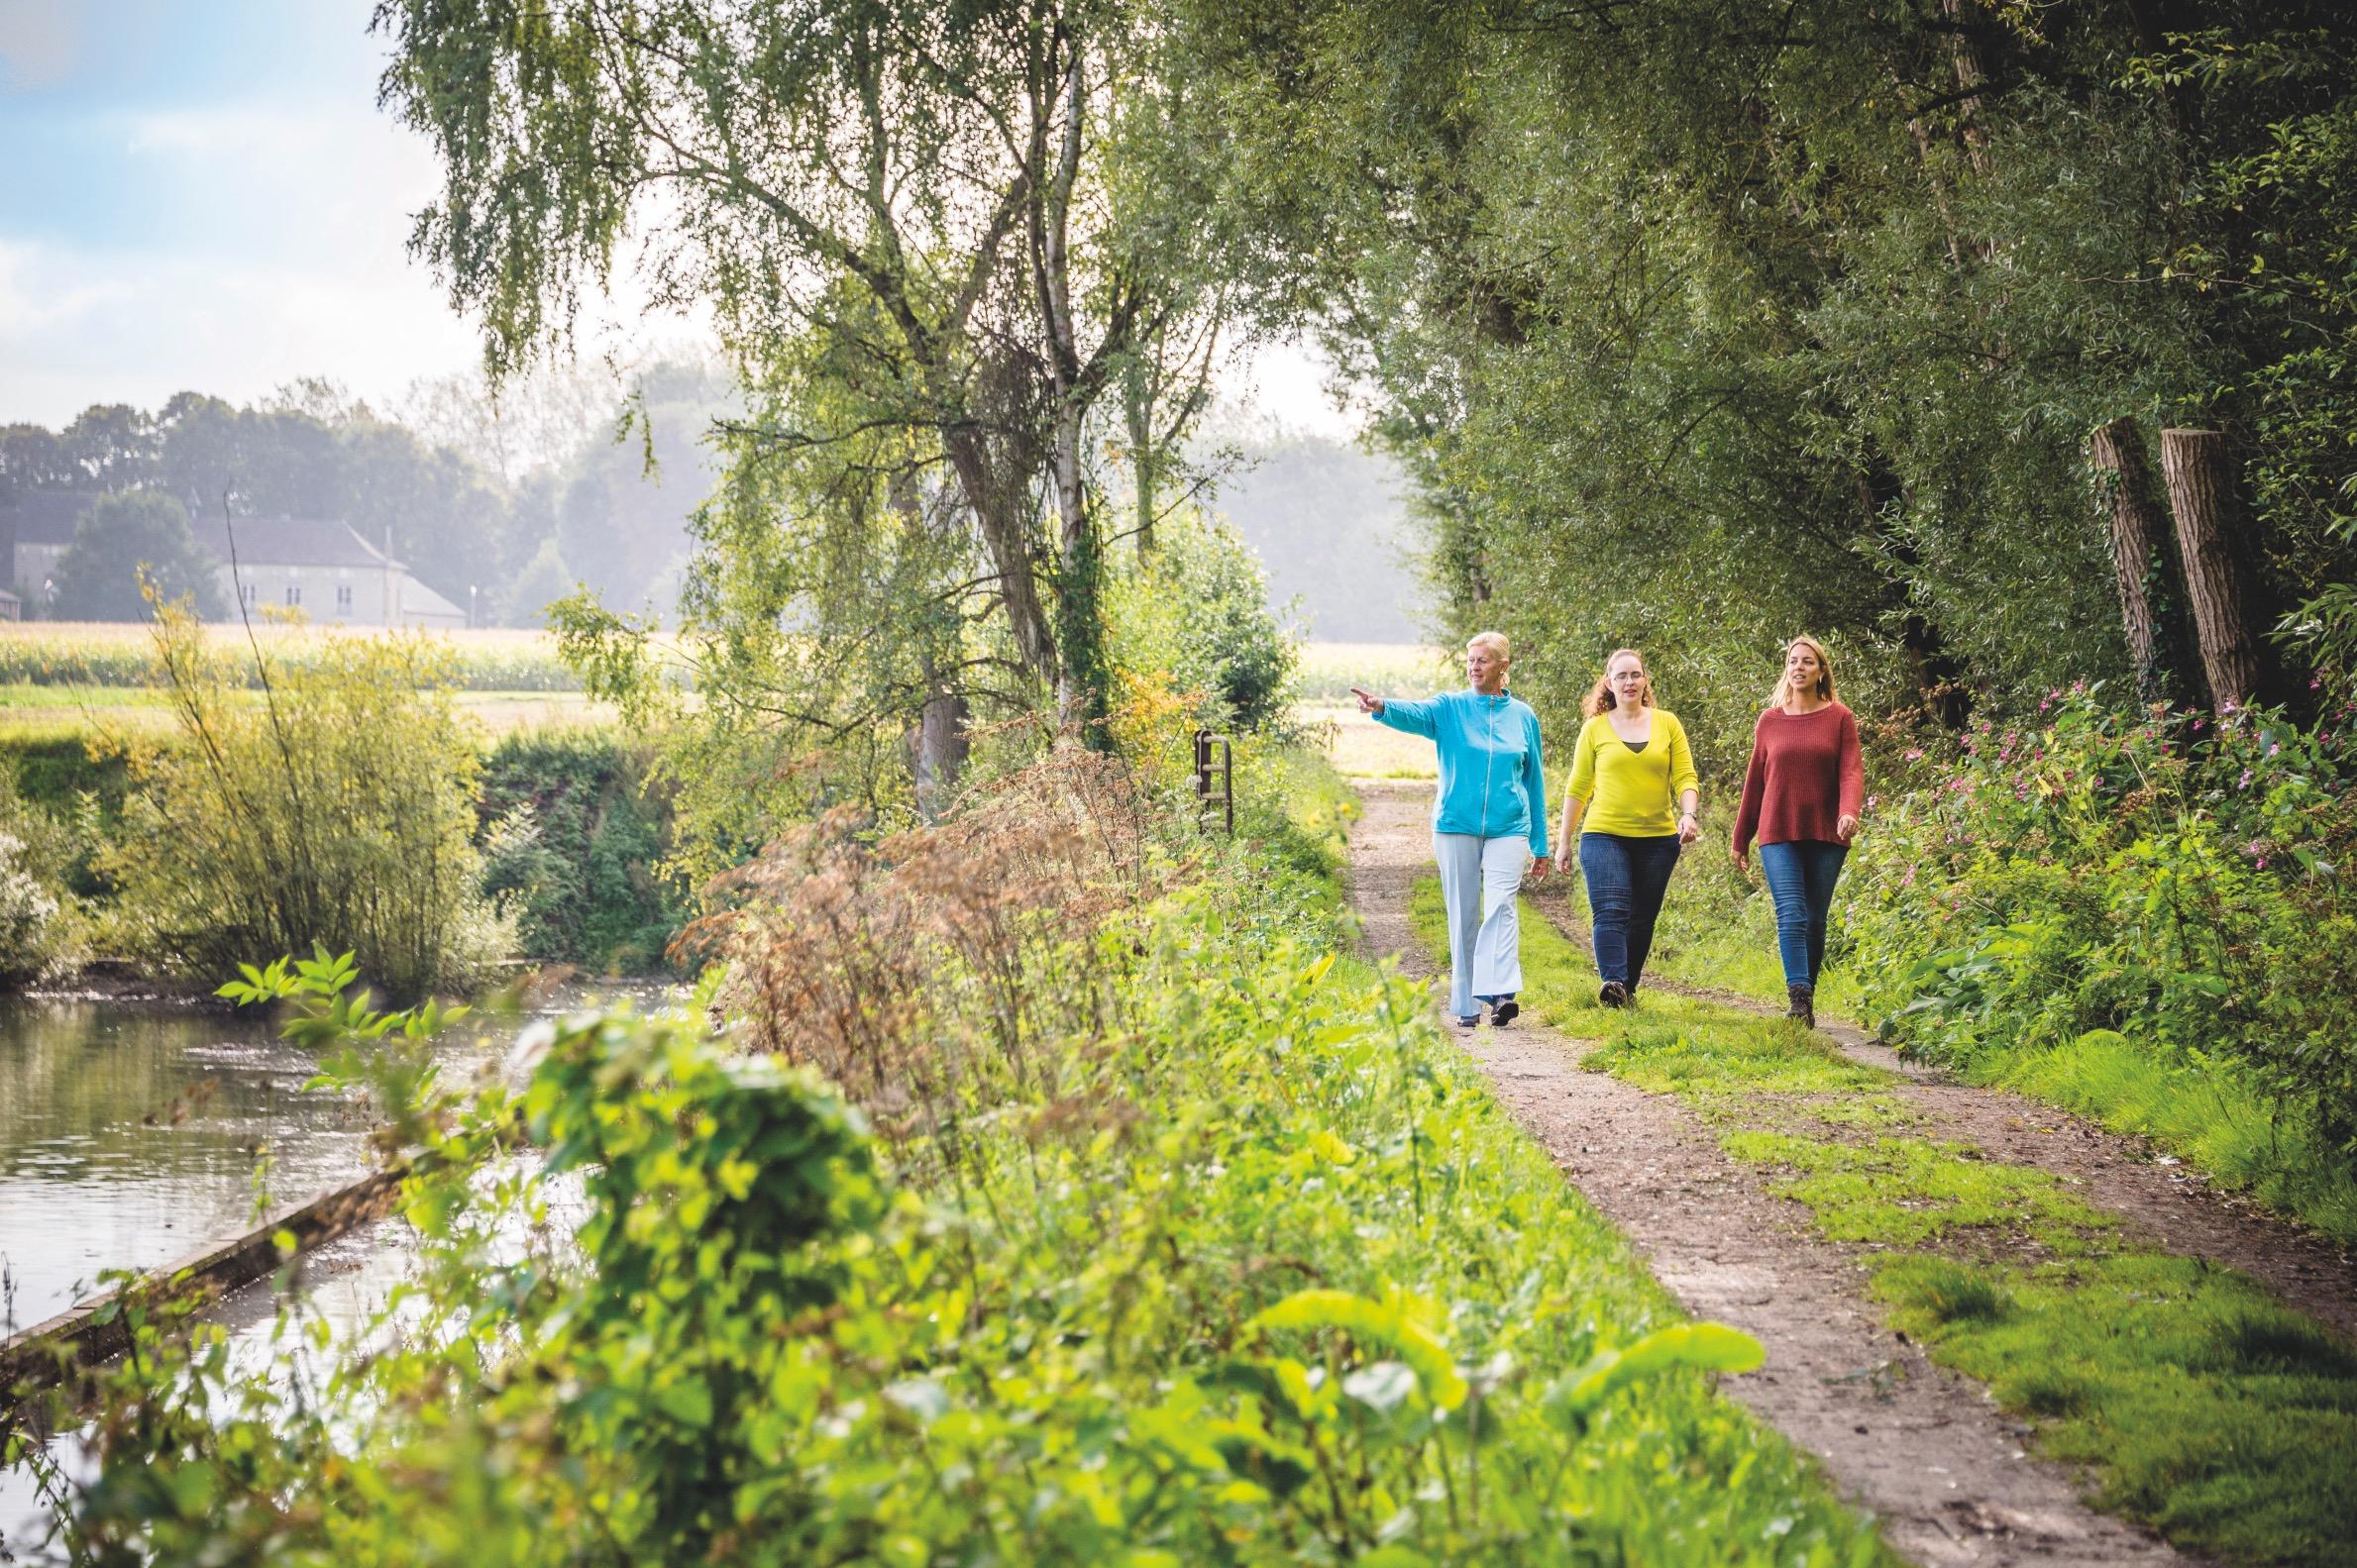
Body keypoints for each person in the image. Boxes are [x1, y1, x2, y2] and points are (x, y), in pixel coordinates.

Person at [1351, 633, 1552, 1029]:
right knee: (1463, 914)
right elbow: (1416, 713)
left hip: (1509, 826)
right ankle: (1466, 1004)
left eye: (1483, 661)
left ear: (1503, 667)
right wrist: (1382, 706)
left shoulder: (1523, 716)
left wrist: (1540, 844)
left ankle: (1501, 995)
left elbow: (1535, 782)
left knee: (1501, 907)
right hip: (1455, 824)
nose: (1474, 668)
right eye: (1471, 661)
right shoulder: (1450, 708)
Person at [1730, 635, 1864, 1029]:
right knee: (1791, 911)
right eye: (1793, 661)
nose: (1799, 667)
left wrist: (1848, 811)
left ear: (1821, 671)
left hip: (1827, 831)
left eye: (1808, 661)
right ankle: (1799, 999)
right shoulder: (1770, 721)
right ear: (1786, 669)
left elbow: (1851, 770)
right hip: (1778, 829)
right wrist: (1741, 838)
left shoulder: (1840, 716)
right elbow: (1755, 781)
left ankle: (1808, 993)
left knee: (1815, 918)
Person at [1556, 648, 1699, 1007]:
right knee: (1611, 909)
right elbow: (1578, 787)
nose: (1629, 681)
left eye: (1635, 674)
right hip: (1604, 833)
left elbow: (1684, 776)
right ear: (1609, 683)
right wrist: (1563, 841)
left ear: (1645, 680)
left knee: (1642, 918)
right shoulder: (1595, 729)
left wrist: (1688, 814)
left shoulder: (1668, 723)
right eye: (1621, 676)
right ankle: (1613, 982)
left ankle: (1626, 989)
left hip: (1658, 839)